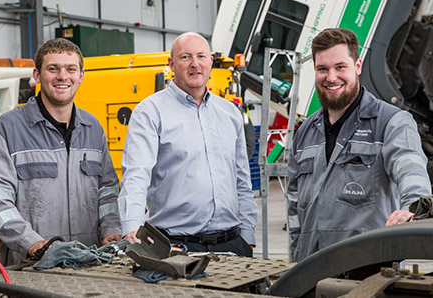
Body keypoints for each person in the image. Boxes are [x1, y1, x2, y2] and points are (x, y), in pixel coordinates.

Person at [287, 28, 431, 262]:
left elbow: (410, 168)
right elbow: (294, 207)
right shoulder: (305, 133)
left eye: (340, 67)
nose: (331, 77)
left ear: (358, 66)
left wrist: (413, 208)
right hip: (310, 269)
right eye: (322, 69)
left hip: (368, 268)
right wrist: (294, 263)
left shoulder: (391, 122)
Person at [0, 38, 121, 265]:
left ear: (81, 76)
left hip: (89, 263)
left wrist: (112, 228)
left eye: (70, 69)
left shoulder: (93, 129)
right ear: (37, 75)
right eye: (52, 69)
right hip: (29, 267)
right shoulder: (7, 129)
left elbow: (107, 191)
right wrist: (33, 244)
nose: (62, 76)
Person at [118, 32, 258, 256]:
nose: (195, 64)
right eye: (185, 57)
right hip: (174, 246)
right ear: (171, 64)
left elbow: (242, 179)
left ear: (210, 62)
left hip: (232, 244)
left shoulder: (230, 113)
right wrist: (132, 228)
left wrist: (247, 237)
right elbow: (136, 175)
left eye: (201, 56)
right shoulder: (150, 111)